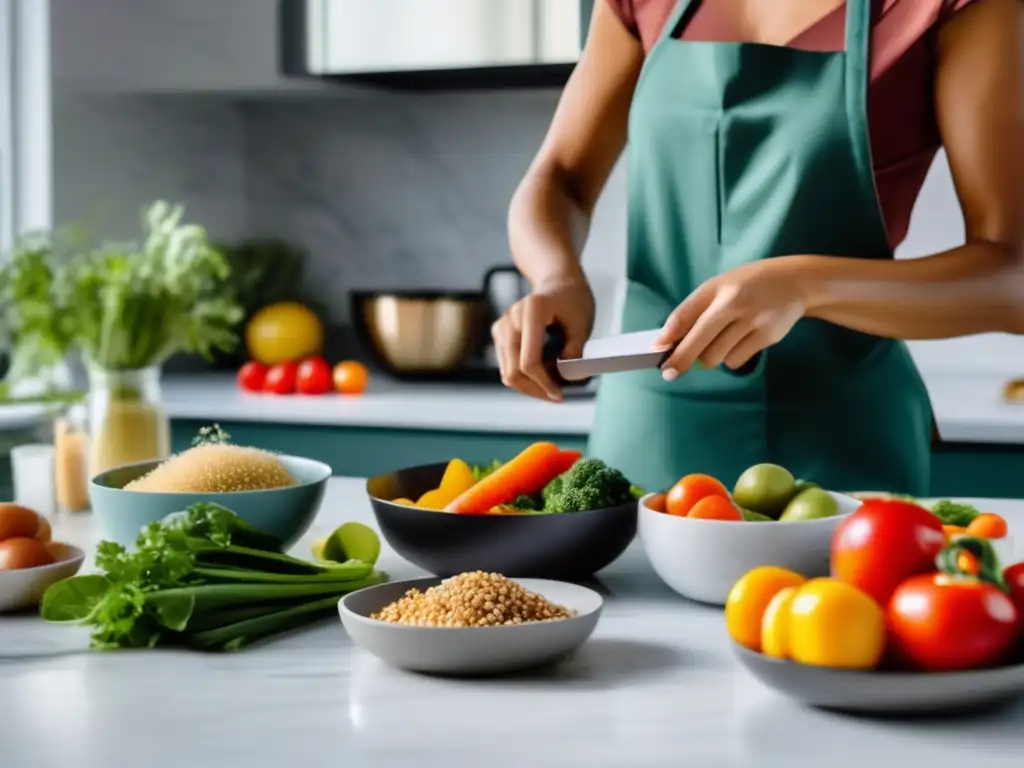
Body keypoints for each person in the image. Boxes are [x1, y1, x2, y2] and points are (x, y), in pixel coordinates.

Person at [493, 0, 1023, 496]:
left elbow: (1012, 274)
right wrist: (556, 276)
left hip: (840, 443)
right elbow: (559, 176)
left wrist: (802, 284)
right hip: (651, 427)